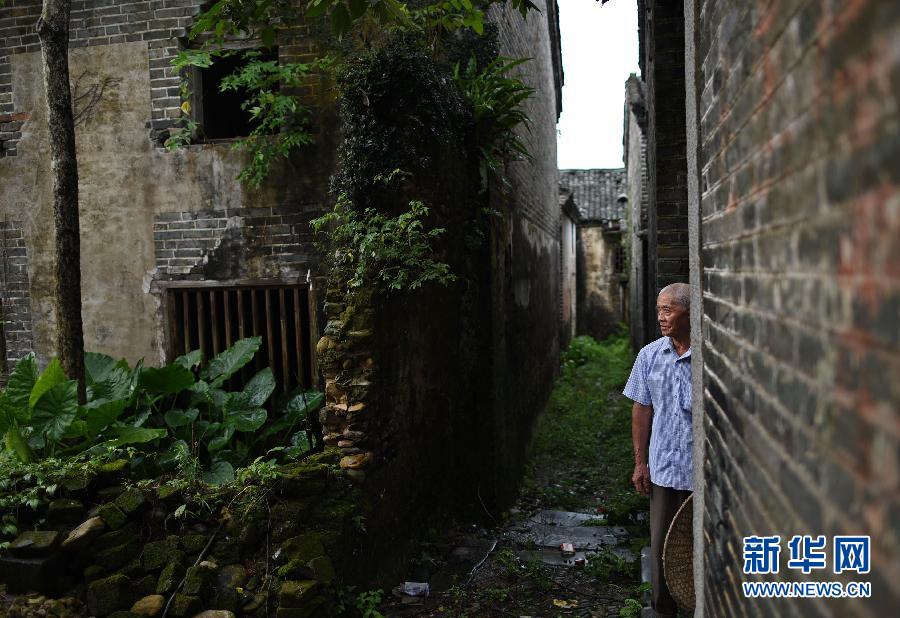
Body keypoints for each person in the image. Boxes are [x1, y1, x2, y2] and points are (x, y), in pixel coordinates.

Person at [623, 282, 694, 618]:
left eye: (668, 310)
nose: (661, 317)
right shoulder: (649, 356)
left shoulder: (708, 358)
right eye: (659, 310)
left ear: (690, 313)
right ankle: (662, 610)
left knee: (699, 545)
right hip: (664, 469)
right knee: (662, 546)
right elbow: (641, 409)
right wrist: (640, 463)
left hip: (700, 472)